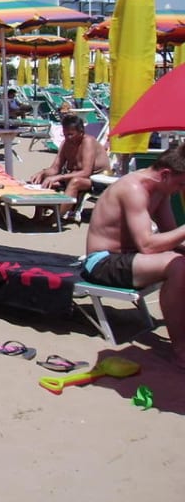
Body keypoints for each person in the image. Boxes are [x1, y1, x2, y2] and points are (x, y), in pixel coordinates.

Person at [84, 145, 185, 369]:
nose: (180, 190)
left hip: (132, 258)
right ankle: (180, 349)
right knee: (179, 267)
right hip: (103, 262)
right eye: (181, 184)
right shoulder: (133, 188)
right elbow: (147, 245)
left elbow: (171, 235)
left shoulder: (161, 190)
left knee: (180, 261)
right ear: (166, 174)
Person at [29, 114, 110, 220]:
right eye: (65, 134)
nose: (68, 137)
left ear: (81, 132)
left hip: (97, 180)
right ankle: (37, 217)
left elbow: (86, 172)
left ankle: (55, 218)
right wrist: (42, 173)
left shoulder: (88, 142)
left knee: (75, 182)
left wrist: (59, 177)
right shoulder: (66, 143)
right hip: (74, 177)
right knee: (43, 179)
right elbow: (55, 169)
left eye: (71, 134)